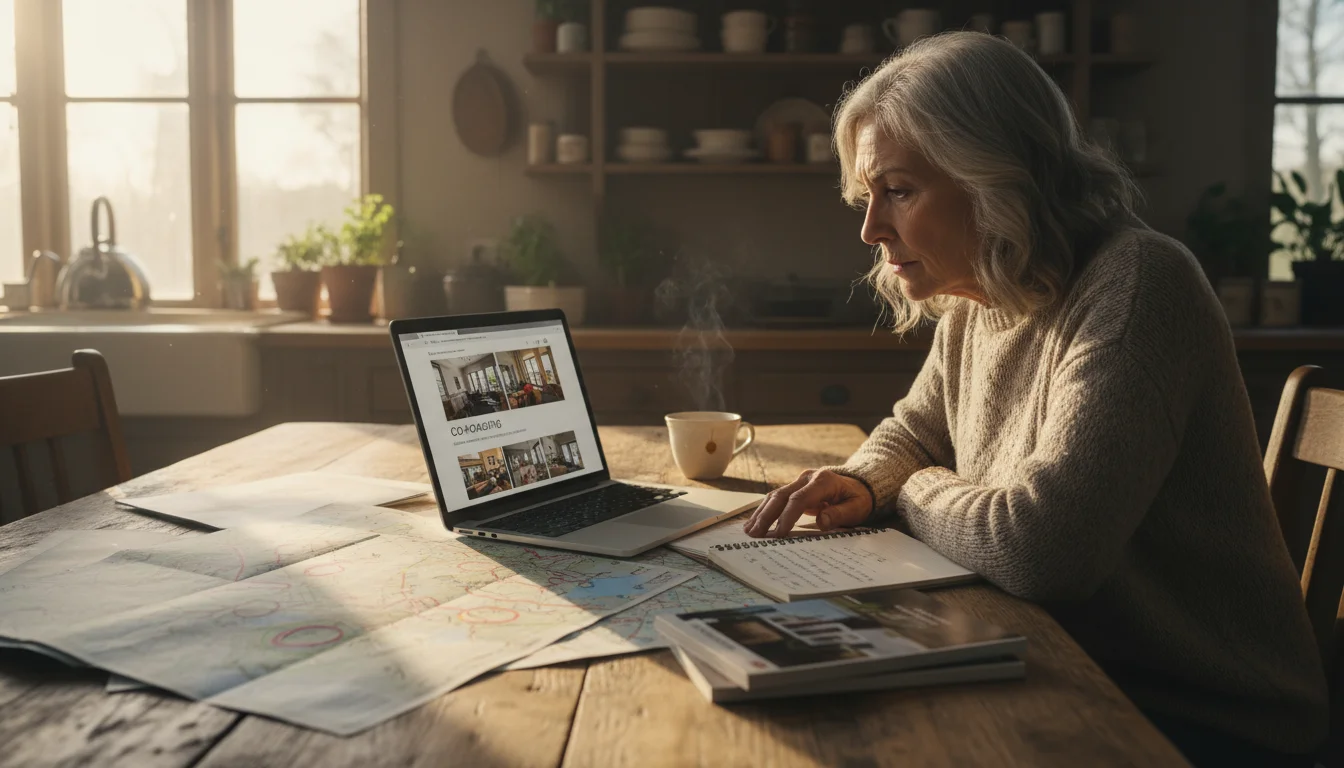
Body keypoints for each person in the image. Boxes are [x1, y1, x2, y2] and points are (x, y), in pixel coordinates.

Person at [742, 32, 1328, 767]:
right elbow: (915, 430)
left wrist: (911, 490)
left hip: (1203, 717)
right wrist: (864, 482)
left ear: (994, 176)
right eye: (867, 197)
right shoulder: (985, 288)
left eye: (898, 190)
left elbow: (1041, 547)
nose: (871, 230)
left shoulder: (1139, 286)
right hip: (1069, 663)